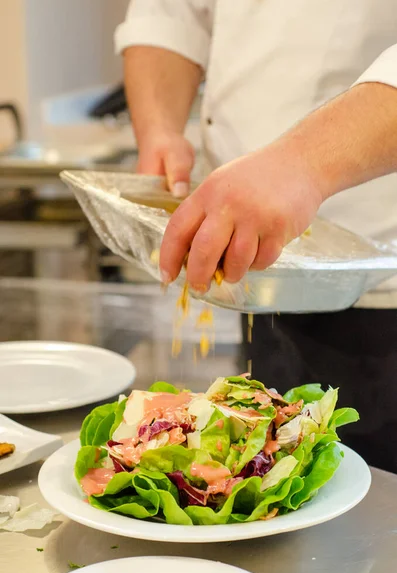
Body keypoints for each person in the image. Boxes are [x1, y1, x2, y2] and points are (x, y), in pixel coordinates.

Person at [115, 1, 397, 472]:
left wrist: (302, 164)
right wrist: (159, 129)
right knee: (272, 483)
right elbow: (171, 13)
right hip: (265, 280)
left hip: (380, 275)